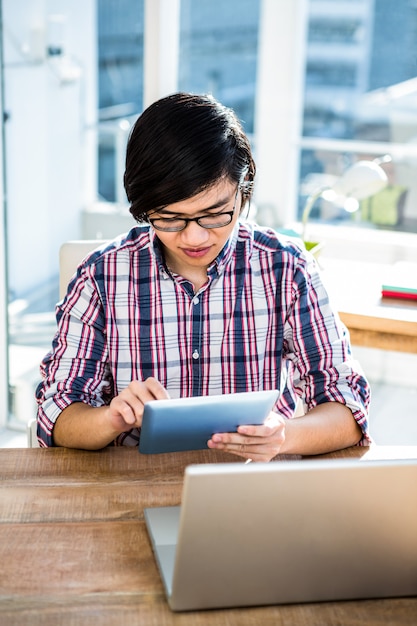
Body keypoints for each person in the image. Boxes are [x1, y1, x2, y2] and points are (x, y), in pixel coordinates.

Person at [36, 92, 371, 460]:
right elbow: (56, 414)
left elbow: (347, 405)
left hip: (253, 485)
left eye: (214, 215)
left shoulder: (285, 268)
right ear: (142, 207)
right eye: (169, 218)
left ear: (243, 195)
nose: (194, 238)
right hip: (133, 483)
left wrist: (284, 436)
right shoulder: (100, 277)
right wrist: (111, 419)